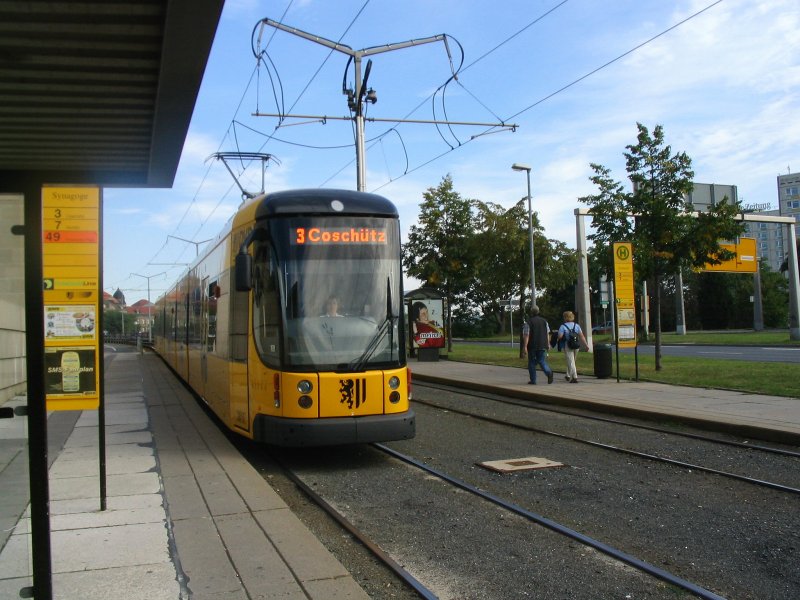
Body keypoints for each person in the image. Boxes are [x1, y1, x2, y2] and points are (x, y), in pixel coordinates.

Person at [522, 305, 554, 384]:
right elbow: (547, 333)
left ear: (531, 312)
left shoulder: (528, 322)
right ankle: (549, 372)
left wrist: (525, 346)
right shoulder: (544, 321)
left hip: (532, 345)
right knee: (542, 361)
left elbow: (527, 335)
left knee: (532, 363)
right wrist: (548, 343)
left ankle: (533, 380)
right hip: (543, 344)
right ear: (538, 312)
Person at [557, 310, 588, 383]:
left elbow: (560, 336)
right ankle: (568, 375)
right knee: (572, 360)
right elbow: (582, 336)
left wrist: (558, 336)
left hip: (568, 345)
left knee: (571, 361)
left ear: (565, 318)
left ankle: (574, 377)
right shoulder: (576, 325)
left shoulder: (563, 326)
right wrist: (586, 345)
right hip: (576, 345)